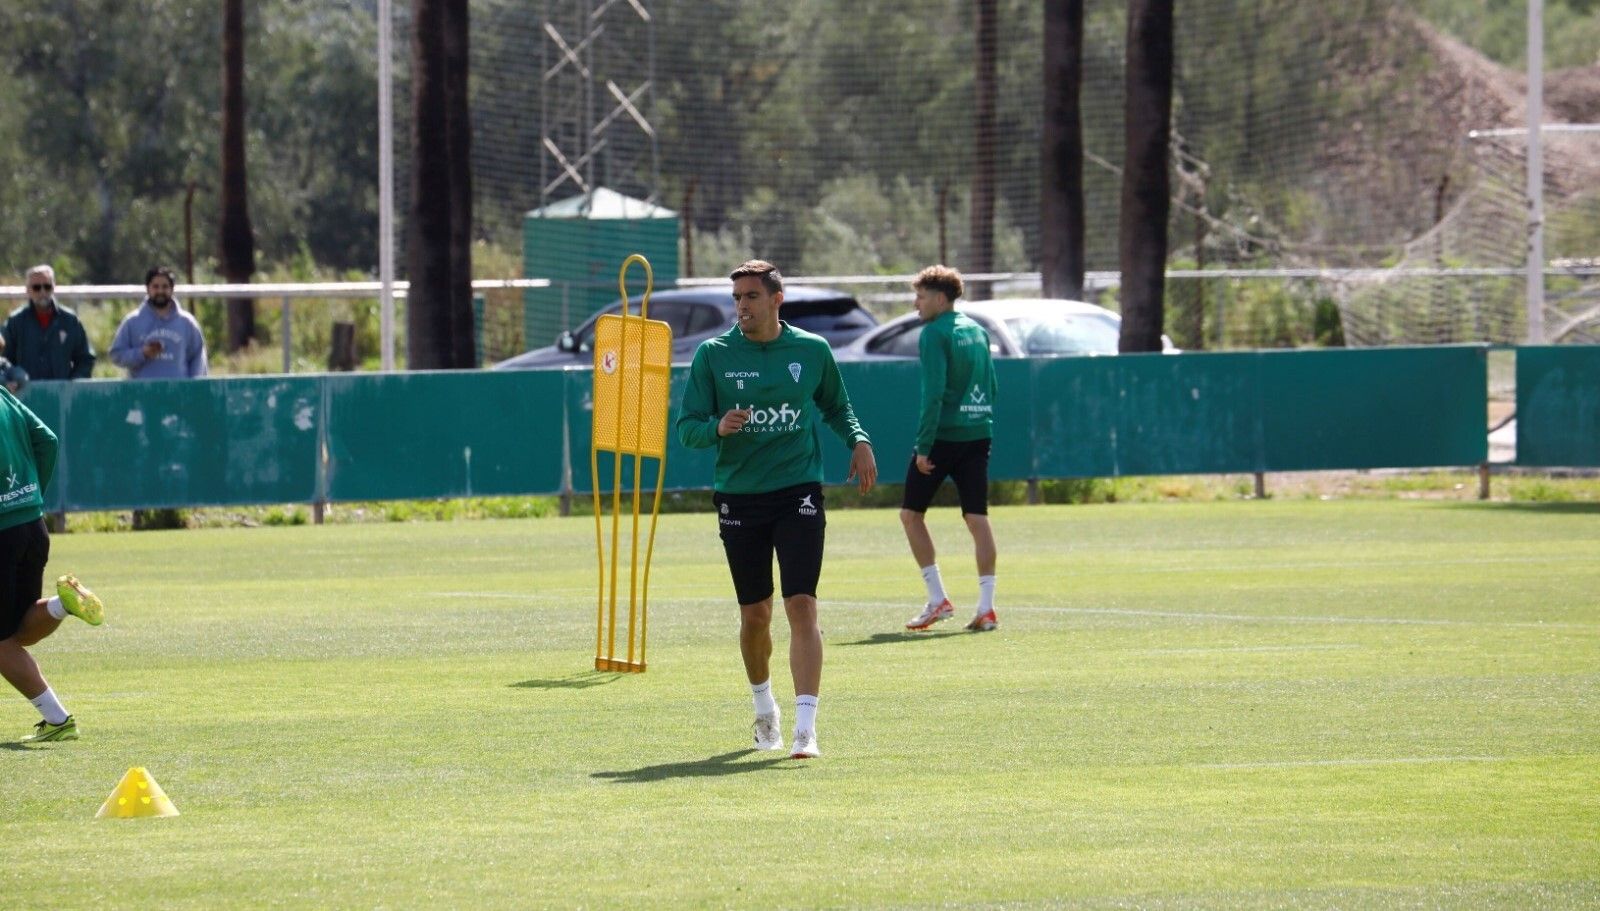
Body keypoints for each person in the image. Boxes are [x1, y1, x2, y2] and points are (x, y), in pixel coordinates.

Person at [676, 260, 877, 760]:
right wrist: (717, 427)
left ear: (776, 299)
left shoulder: (811, 350)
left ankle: (807, 727)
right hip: (740, 495)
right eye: (737, 298)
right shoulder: (713, 355)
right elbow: (687, 427)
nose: (742, 306)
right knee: (755, 615)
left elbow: (836, 405)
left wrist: (858, 439)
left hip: (798, 490)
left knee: (802, 604)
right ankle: (765, 710)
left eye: (751, 297)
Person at [0, 384, 105, 743]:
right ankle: (63, 604)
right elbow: (48, 440)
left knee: (0, 642)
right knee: (17, 631)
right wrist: (31, 497)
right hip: (32, 525)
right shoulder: (3, 394)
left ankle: (58, 720)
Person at [900, 265, 1000, 633]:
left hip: (943, 437)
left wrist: (924, 447)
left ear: (940, 299)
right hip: (979, 433)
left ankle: (937, 598)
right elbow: (991, 384)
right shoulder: (977, 330)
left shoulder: (934, 334)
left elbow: (934, 393)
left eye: (921, 297)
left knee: (911, 515)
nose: (916, 304)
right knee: (977, 517)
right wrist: (983, 423)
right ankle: (987, 608)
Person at [108, 266, 208, 379]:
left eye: (165, 287)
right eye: (155, 287)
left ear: (172, 289)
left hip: (178, 393)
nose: (160, 291)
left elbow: (198, 359)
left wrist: (193, 388)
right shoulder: (132, 322)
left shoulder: (187, 323)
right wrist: (142, 353)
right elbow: (116, 355)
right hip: (142, 393)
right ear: (148, 289)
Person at [3, 265, 97, 381]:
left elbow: (85, 358)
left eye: (47, 286)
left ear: (53, 287)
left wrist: (73, 384)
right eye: (37, 287)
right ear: (28, 290)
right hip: (24, 393)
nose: (42, 292)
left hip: (61, 395)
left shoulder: (70, 320)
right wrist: (14, 377)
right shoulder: (15, 322)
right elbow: (4, 359)